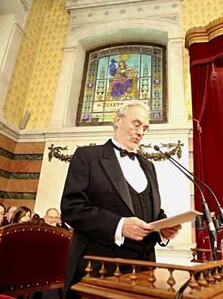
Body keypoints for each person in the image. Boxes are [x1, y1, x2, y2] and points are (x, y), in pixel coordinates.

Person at [60, 100, 181, 298]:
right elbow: (72, 209)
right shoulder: (88, 156)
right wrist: (119, 225)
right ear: (118, 121)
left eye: (145, 128)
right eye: (136, 124)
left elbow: (149, 209)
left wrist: (162, 229)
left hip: (144, 269)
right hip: (101, 268)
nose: (141, 132)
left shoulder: (148, 165)